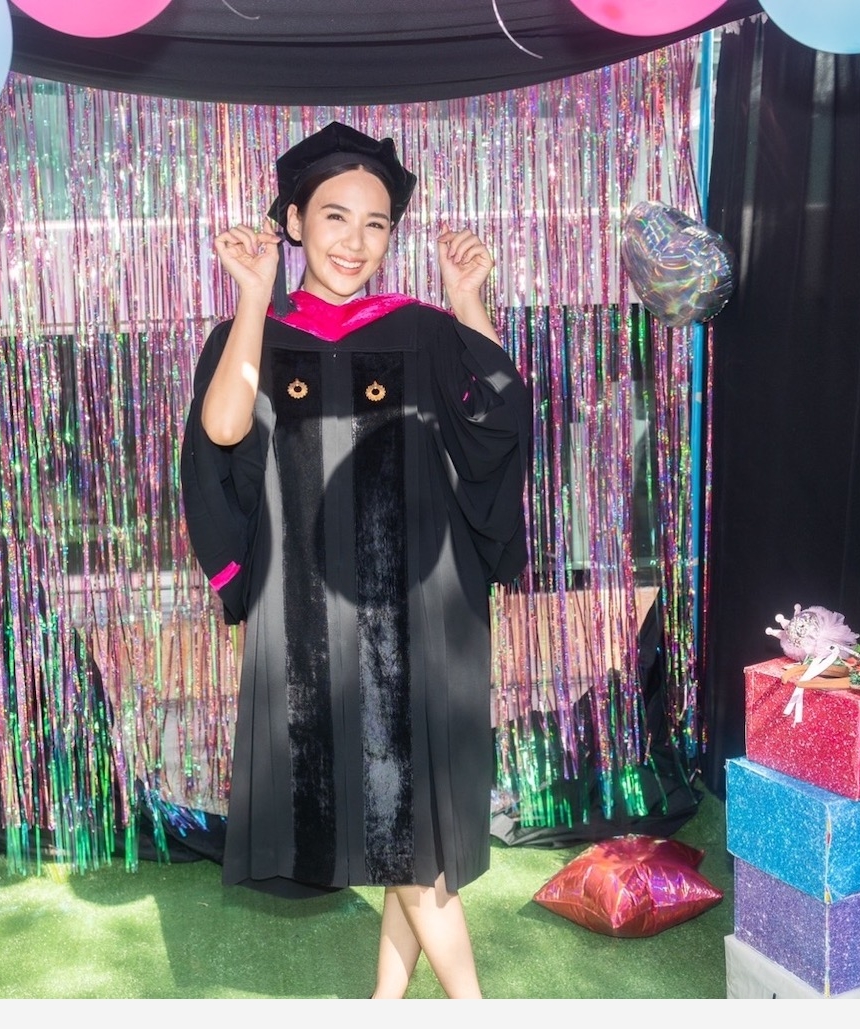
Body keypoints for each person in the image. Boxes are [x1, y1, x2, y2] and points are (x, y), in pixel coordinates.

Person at [179, 122, 531, 999]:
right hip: (313, 614)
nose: (355, 241)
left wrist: (468, 299)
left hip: (422, 603)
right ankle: (390, 1002)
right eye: (334, 216)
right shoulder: (257, 330)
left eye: (376, 224)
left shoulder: (420, 329)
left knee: (406, 819)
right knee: (399, 817)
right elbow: (222, 429)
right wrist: (254, 297)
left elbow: (498, 415)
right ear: (294, 221)